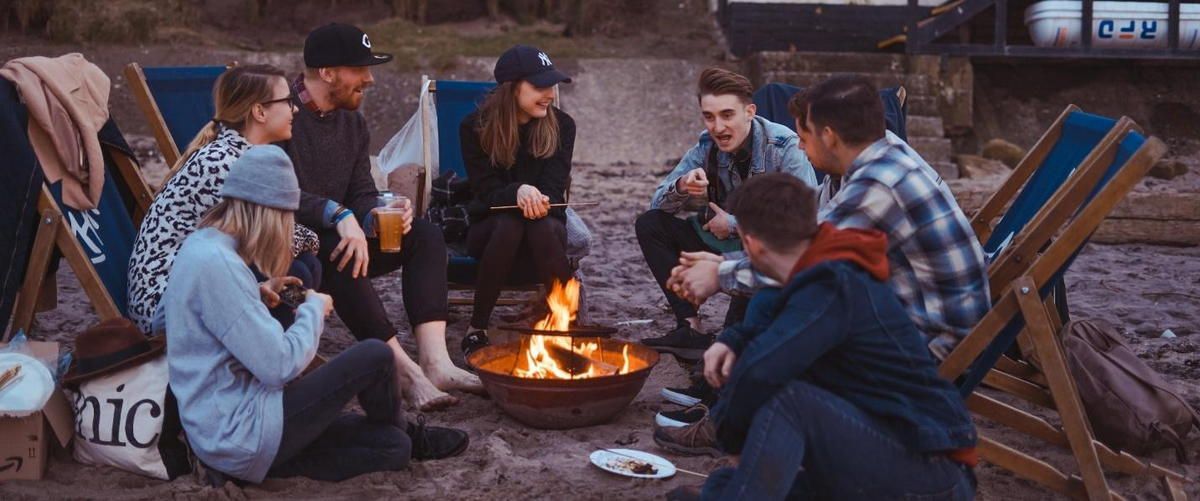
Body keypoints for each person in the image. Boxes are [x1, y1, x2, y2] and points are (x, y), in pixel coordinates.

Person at [158, 146, 468, 485]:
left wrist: (259, 290)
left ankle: (403, 433)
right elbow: (278, 366)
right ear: (267, 211)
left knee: (392, 448)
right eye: (286, 217)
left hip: (228, 433)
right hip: (243, 431)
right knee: (375, 355)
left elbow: (207, 318)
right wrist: (312, 310)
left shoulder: (204, 246)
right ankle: (407, 429)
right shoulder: (218, 266)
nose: (288, 228)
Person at [660, 173, 977, 500]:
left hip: (932, 471)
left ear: (750, 243)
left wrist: (731, 439)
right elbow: (772, 322)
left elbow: (761, 371)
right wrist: (734, 340)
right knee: (719, 486)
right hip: (875, 450)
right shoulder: (813, 274)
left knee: (787, 398)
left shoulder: (833, 284)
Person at [668, 75, 989, 360]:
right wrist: (720, 263)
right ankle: (723, 402)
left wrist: (719, 275)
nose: (802, 150)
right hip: (903, 307)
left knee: (790, 315)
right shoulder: (863, 159)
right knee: (773, 303)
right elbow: (806, 232)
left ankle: (728, 409)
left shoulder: (879, 182)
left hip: (935, 340)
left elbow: (807, 261)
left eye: (803, 140)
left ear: (829, 137)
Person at [279, 23, 481, 411]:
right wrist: (338, 215)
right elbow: (274, 190)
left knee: (424, 234)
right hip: (294, 244)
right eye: (360, 69)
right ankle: (404, 372)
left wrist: (377, 212)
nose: (370, 79)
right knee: (340, 251)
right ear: (327, 72)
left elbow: (360, 190)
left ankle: (436, 362)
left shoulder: (352, 122)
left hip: (346, 233)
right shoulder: (280, 113)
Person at [635, 67, 817, 361]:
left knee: (735, 341)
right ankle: (690, 327)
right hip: (723, 245)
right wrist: (682, 185)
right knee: (651, 224)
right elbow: (657, 203)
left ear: (749, 111)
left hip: (768, 253)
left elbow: (805, 219)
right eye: (709, 116)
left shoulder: (784, 147)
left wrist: (732, 224)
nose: (718, 127)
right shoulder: (707, 146)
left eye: (727, 115)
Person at [128, 64, 322, 333]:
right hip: (167, 307)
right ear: (259, 111)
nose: (295, 109)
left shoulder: (234, 153)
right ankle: (271, 350)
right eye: (287, 101)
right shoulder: (223, 164)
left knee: (303, 267)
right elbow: (272, 239)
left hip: (195, 285)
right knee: (296, 270)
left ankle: (279, 341)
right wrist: (315, 236)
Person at [457, 45, 575, 355]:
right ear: (512, 88)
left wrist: (536, 198)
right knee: (510, 222)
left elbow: (553, 187)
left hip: (545, 233)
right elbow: (486, 191)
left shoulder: (562, 126)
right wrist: (518, 191)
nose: (549, 93)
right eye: (539, 86)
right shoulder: (475, 127)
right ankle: (477, 327)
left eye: (551, 85)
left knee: (539, 225)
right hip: (491, 233)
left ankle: (564, 326)